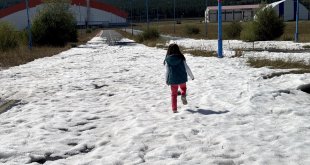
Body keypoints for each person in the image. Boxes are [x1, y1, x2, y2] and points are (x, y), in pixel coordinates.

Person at [164, 44, 194, 113]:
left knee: (174, 94)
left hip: (173, 79)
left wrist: (166, 80)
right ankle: (183, 94)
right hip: (182, 78)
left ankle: (174, 109)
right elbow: (187, 68)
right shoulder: (181, 58)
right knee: (183, 88)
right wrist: (192, 76)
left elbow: (167, 71)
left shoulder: (167, 60)